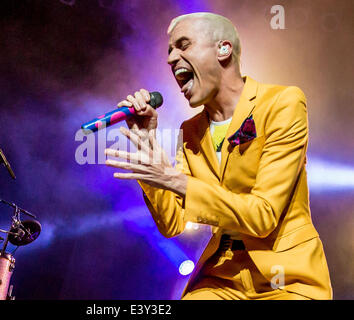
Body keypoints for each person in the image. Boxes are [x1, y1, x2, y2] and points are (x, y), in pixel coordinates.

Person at [105, 12, 332, 300]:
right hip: (220, 281)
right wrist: (147, 142)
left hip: (286, 280)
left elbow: (263, 216)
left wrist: (175, 180)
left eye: (183, 45)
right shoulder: (191, 130)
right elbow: (171, 223)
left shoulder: (282, 103)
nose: (171, 58)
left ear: (223, 49)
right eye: (169, 51)